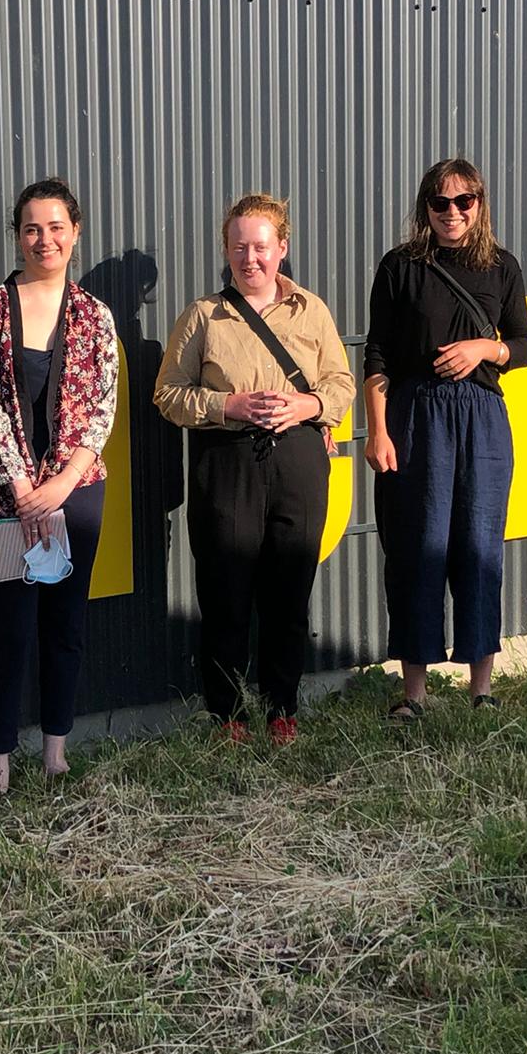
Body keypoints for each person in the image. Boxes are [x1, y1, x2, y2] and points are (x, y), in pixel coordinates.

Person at [154, 193, 354, 743]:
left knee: (290, 594)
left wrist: (307, 406)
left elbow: (341, 383)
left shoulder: (311, 311)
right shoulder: (203, 316)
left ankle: (282, 709)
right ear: (226, 250)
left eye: (261, 246)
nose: (250, 258)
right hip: (227, 462)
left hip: (298, 461)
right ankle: (228, 716)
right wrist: (228, 406)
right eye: (239, 247)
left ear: (281, 249)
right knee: (225, 597)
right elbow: (168, 395)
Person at [362, 158, 527, 719]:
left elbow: (525, 345)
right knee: (416, 549)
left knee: (479, 548)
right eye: (441, 203)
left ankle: (481, 690)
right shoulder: (399, 267)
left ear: (480, 205)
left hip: (482, 421)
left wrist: (484, 349)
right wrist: (377, 429)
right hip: (416, 417)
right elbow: (379, 354)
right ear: (425, 208)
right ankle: (414, 696)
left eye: (465, 202)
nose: (453, 213)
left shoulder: (502, 268)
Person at [0, 178, 118, 794]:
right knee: (10, 629)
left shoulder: (94, 315)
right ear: (18, 236)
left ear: (75, 234)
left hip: (75, 496)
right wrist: (26, 489)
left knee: (64, 623)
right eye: (32, 227)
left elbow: (102, 409)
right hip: (7, 498)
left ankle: (56, 751)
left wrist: (61, 484)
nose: (44, 238)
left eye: (56, 227)